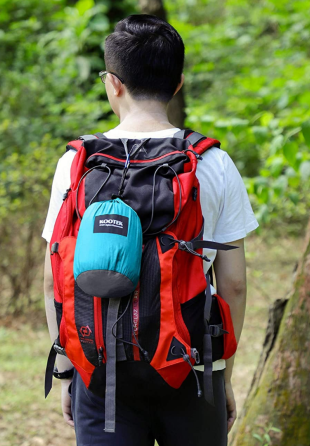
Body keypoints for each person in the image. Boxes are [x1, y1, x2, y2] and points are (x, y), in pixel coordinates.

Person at [41, 14, 258, 446]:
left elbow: (53, 279)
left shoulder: (75, 163)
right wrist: (222, 376)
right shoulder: (213, 163)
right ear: (178, 83)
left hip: (101, 370)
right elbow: (232, 284)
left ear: (113, 83)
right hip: (192, 367)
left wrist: (68, 372)